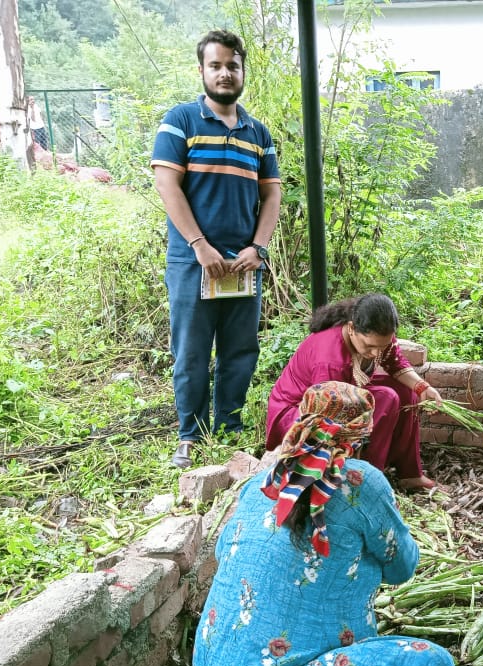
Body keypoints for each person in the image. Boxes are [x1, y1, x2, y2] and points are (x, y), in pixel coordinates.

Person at [170, 381, 457, 666]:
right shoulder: (359, 482)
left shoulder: (261, 482)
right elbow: (403, 566)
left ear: (302, 422)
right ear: (360, 435)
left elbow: (228, 553)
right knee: (433, 665)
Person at [151, 29, 281, 469]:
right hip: (195, 263)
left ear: (243, 71)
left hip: (244, 264)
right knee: (190, 350)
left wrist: (258, 248)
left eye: (233, 65)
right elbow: (167, 184)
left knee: (240, 349)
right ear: (202, 70)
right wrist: (200, 245)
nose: (225, 73)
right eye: (216, 65)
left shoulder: (258, 134)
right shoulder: (181, 121)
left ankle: (227, 428)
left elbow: (272, 196)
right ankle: (190, 434)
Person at [266, 294, 442, 491]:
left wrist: (423, 387)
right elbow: (329, 419)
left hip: (342, 391)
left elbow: (394, 361)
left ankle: (409, 473)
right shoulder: (330, 361)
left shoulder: (378, 334)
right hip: (301, 413)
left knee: (405, 392)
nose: (376, 353)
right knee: (386, 399)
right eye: (370, 346)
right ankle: (364, 479)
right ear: (351, 328)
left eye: (381, 347)